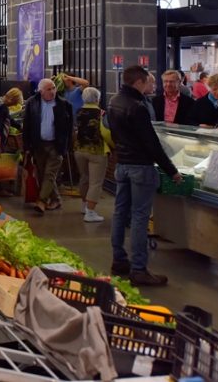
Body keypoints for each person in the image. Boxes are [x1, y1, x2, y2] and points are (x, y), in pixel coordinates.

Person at [108, 65, 182, 286]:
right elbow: (151, 143)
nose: (154, 86)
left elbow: (114, 134)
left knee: (120, 213)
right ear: (138, 82)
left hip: (122, 165)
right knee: (140, 217)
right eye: (150, 82)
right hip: (141, 167)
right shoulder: (138, 107)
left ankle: (119, 259)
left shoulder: (114, 102)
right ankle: (139, 268)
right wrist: (171, 170)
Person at [23, 77, 74, 214]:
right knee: (42, 175)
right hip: (39, 145)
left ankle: (41, 201)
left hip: (56, 145)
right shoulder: (32, 103)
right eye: (48, 89)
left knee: (50, 174)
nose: (52, 91)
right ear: (41, 91)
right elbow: (27, 126)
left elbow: (69, 128)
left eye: (53, 88)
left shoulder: (64, 104)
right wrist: (26, 147)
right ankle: (56, 199)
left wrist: (67, 146)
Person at [73, 87, 113, 223]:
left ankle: (84, 205)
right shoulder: (101, 113)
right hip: (97, 151)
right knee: (95, 183)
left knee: (84, 178)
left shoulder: (78, 112)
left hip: (79, 150)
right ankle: (90, 212)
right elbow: (106, 133)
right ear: (97, 99)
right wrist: (114, 145)